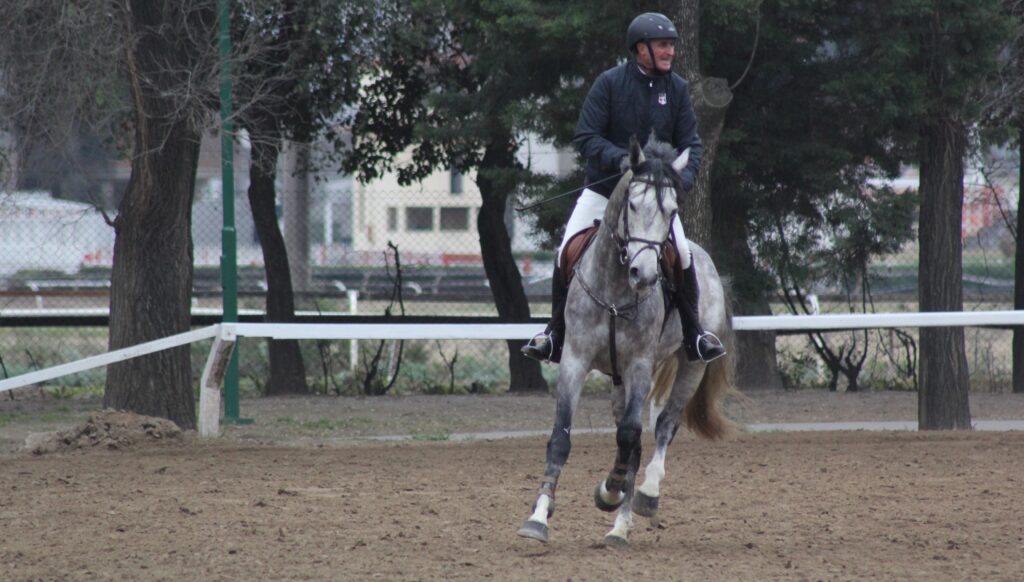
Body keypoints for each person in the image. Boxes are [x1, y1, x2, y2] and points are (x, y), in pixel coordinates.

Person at [521, 11, 725, 364]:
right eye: (663, 45)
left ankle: (694, 334)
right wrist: (620, 159)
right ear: (641, 48)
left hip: (652, 199)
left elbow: (691, 144)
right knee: (564, 250)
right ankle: (554, 334)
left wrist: (683, 179)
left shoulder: (676, 88)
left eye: (672, 45)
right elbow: (586, 136)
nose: (670, 51)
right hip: (604, 193)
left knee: (683, 253)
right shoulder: (609, 83)